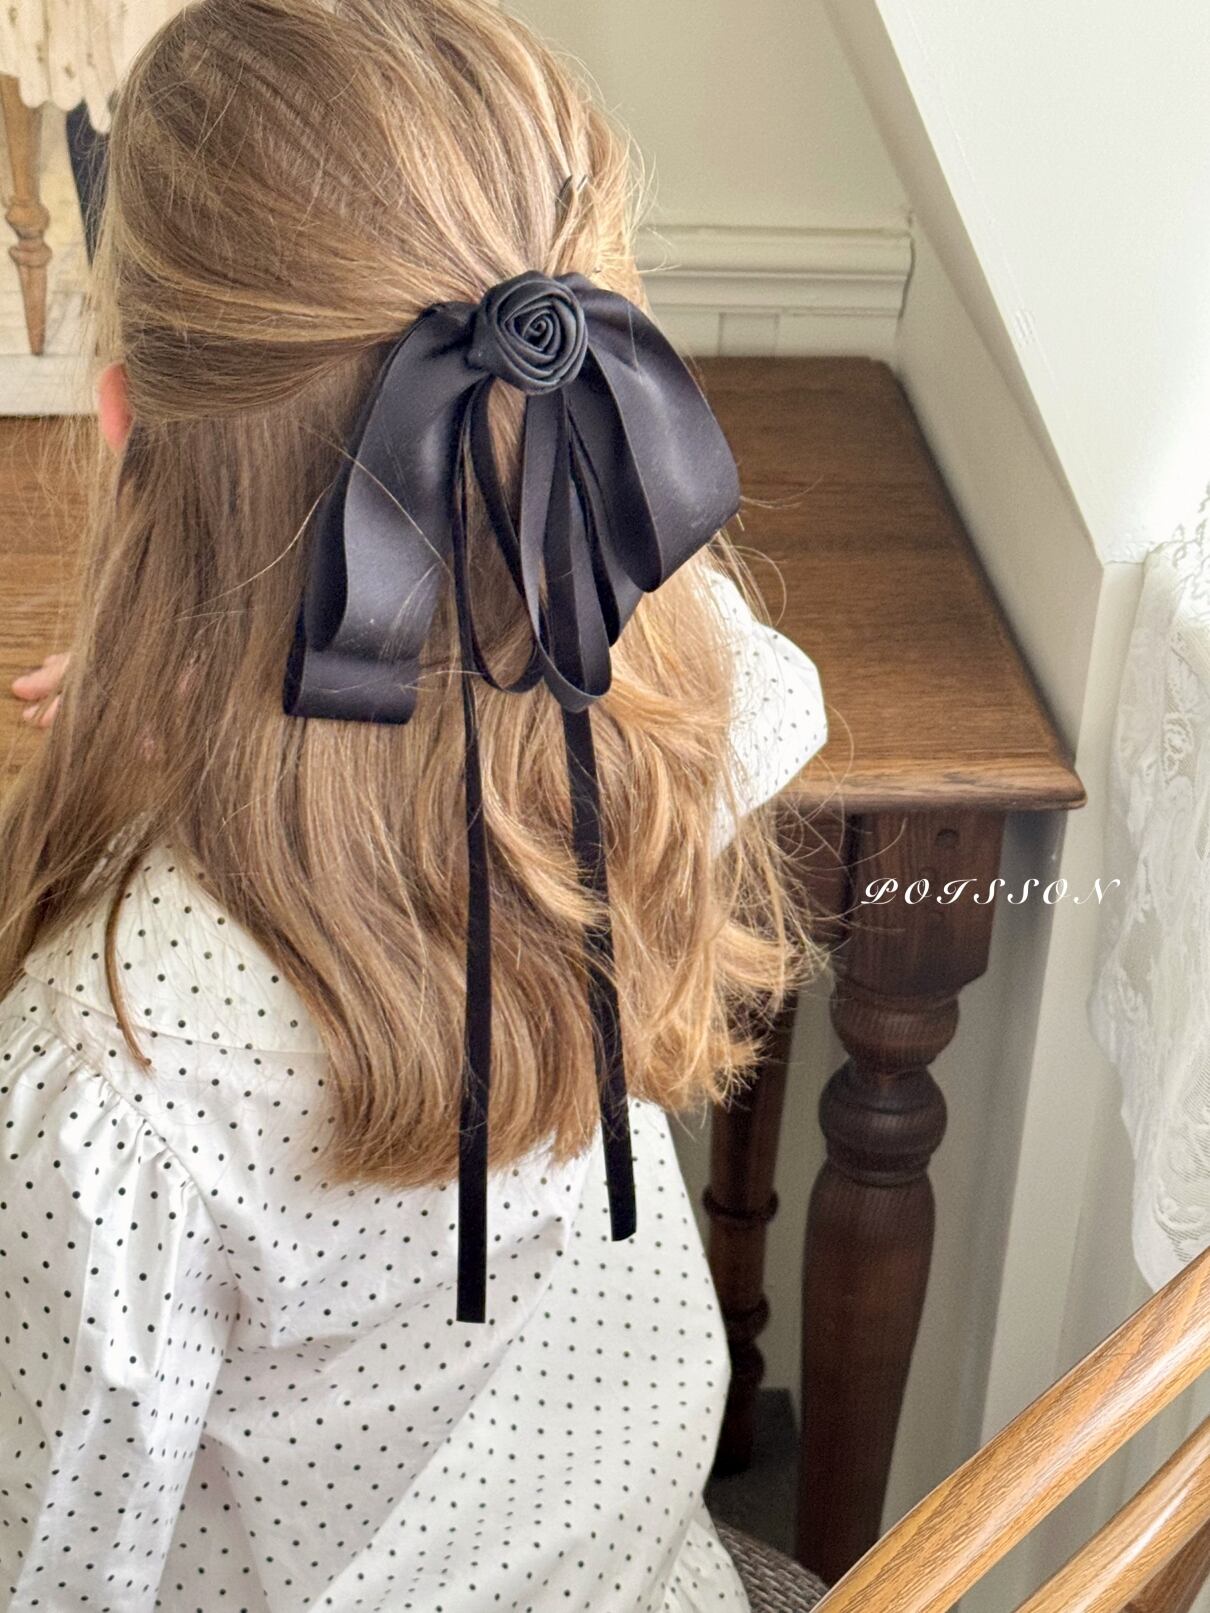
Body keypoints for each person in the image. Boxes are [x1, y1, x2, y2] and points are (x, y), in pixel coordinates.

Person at [0, 1, 829, 1608]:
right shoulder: (672, 711)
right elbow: (753, 675)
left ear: (123, 428)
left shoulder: (115, 1059)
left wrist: (217, 636)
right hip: (647, 1577)